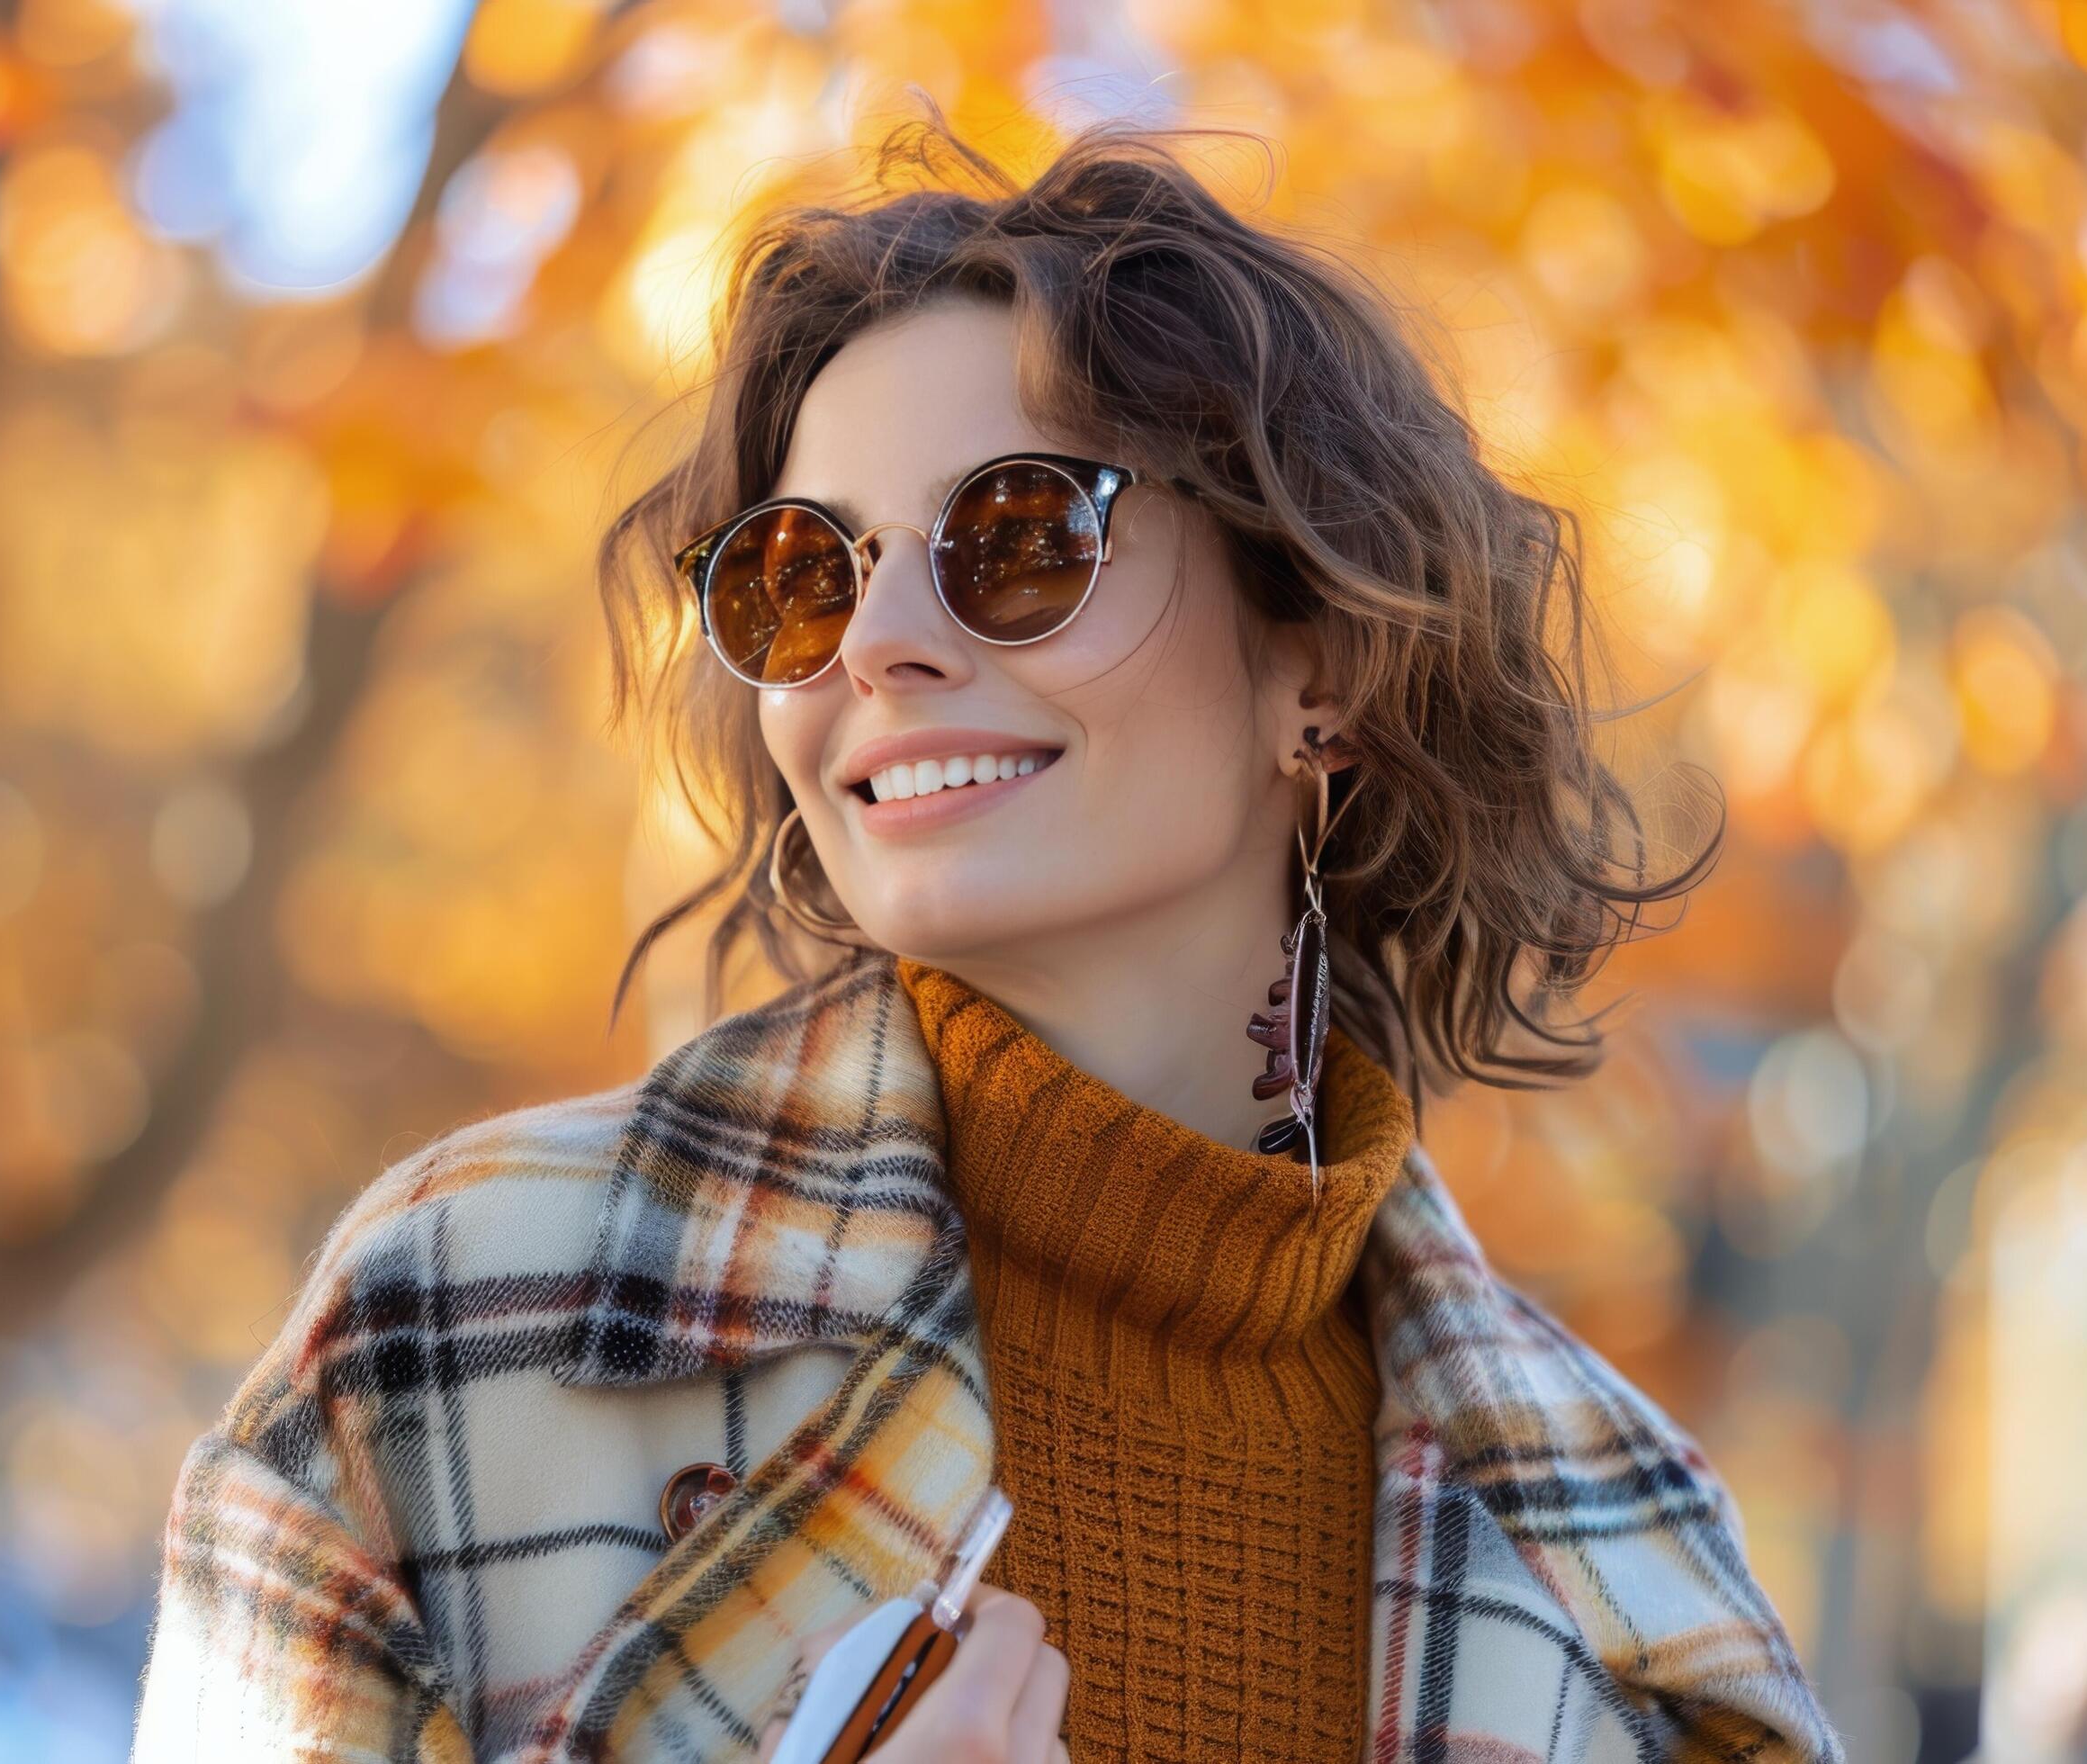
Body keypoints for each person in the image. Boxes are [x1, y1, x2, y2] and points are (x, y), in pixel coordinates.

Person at [130, 112, 1843, 1764]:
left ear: (1317, 660)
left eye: (1015, 540)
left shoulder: (1635, 1566)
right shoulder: (455, 1329)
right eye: (801, 576)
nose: (874, 641)